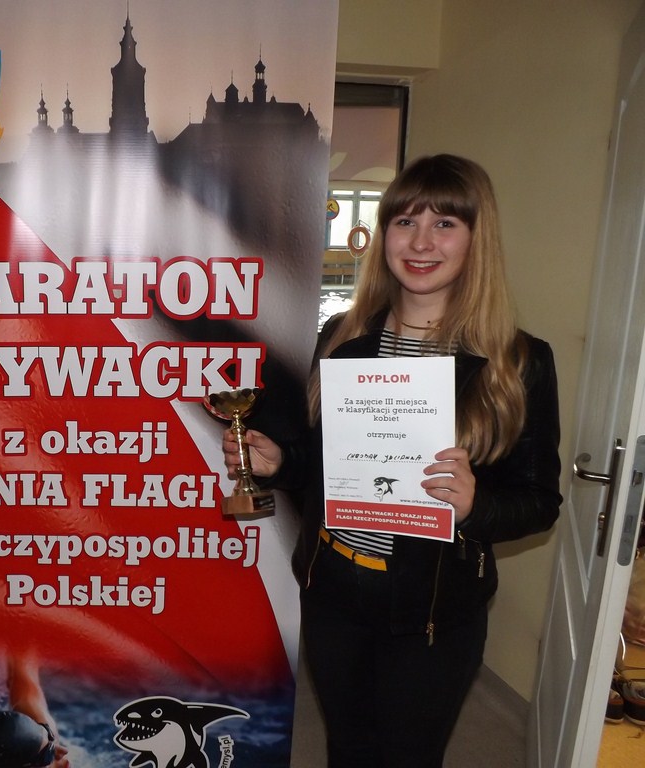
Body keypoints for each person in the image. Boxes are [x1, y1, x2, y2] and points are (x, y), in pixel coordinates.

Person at [224, 154, 561, 767]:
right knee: (347, 750)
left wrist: (476, 505)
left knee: (409, 757)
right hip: (334, 592)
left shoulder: (519, 361)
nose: (421, 242)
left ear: (476, 239)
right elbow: (326, 465)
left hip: (432, 610)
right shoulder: (342, 337)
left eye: (444, 224)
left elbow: (539, 501)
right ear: (384, 236)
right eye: (405, 222)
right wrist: (280, 463)